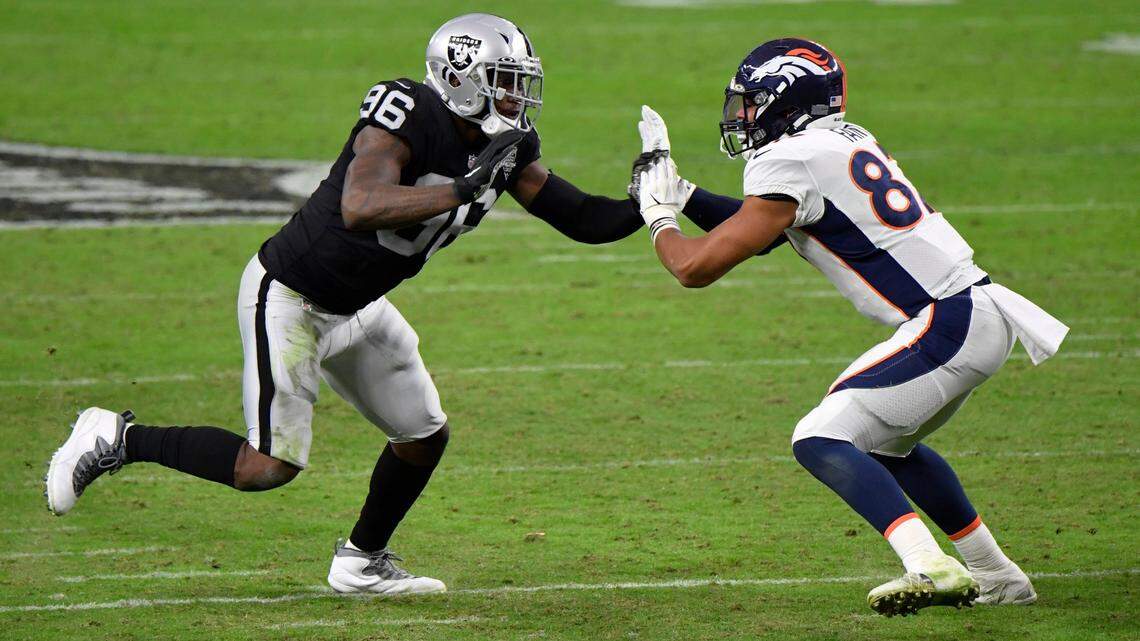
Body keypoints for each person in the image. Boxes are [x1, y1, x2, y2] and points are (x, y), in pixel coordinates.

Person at [44, 13, 656, 596]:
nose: (516, 98)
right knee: (266, 467)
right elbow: (360, 206)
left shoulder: (507, 145)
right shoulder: (406, 112)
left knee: (422, 434)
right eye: (503, 82)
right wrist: (462, 188)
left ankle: (362, 561)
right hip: (291, 296)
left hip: (358, 305)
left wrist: (648, 200)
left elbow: (581, 218)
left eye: (520, 83)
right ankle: (119, 436)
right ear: (460, 79)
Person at [627, 38, 1069, 616]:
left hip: (946, 321)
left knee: (820, 438)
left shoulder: (788, 160)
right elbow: (765, 228)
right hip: (973, 311)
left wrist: (657, 214)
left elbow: (694, 267)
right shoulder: (839, 140)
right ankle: (998, 576)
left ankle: (929, 563)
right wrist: (682, 195)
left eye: (752, 102)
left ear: (787, 102)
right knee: (888, 447)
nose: (742, 116)